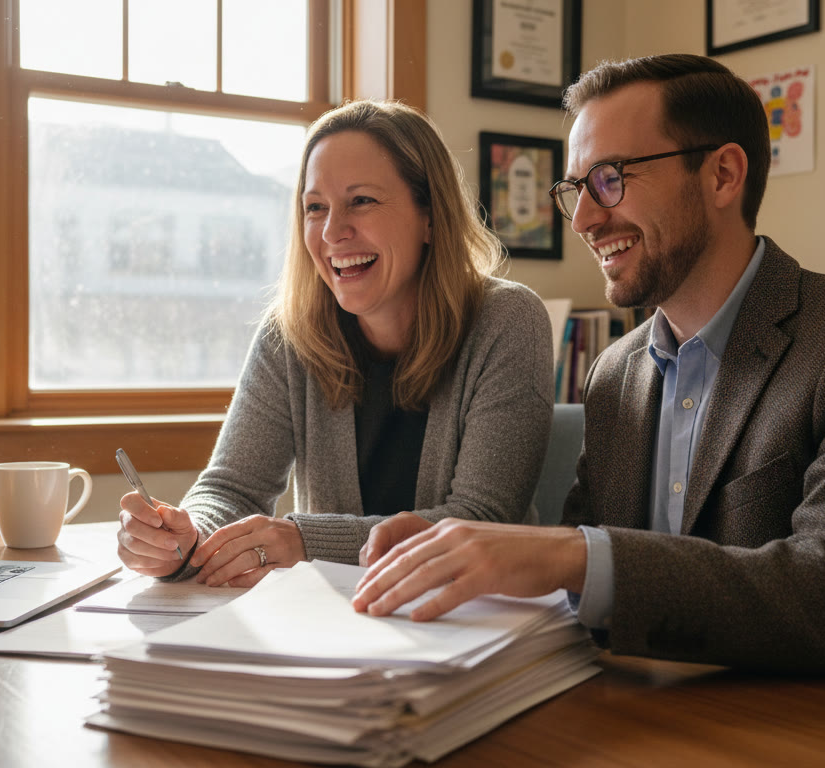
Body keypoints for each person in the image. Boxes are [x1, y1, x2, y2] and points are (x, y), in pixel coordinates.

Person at [352, 54, 825, 705]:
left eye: (609, 178)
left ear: (722, 175)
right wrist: (472, 563)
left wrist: (564, 556)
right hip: (673, 719)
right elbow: (584, 594)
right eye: (576, 189)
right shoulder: (614, 375)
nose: (584, 220)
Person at [115, 99, 555, 588]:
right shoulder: (290, 336)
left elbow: (480, 521)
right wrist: (188, 538)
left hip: (472, 618)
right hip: (332, 626)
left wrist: (304, 540)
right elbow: (232, 488)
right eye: (315, 207)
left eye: (361, 201)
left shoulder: (508, 321)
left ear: (430, 216)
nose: (332, 232)